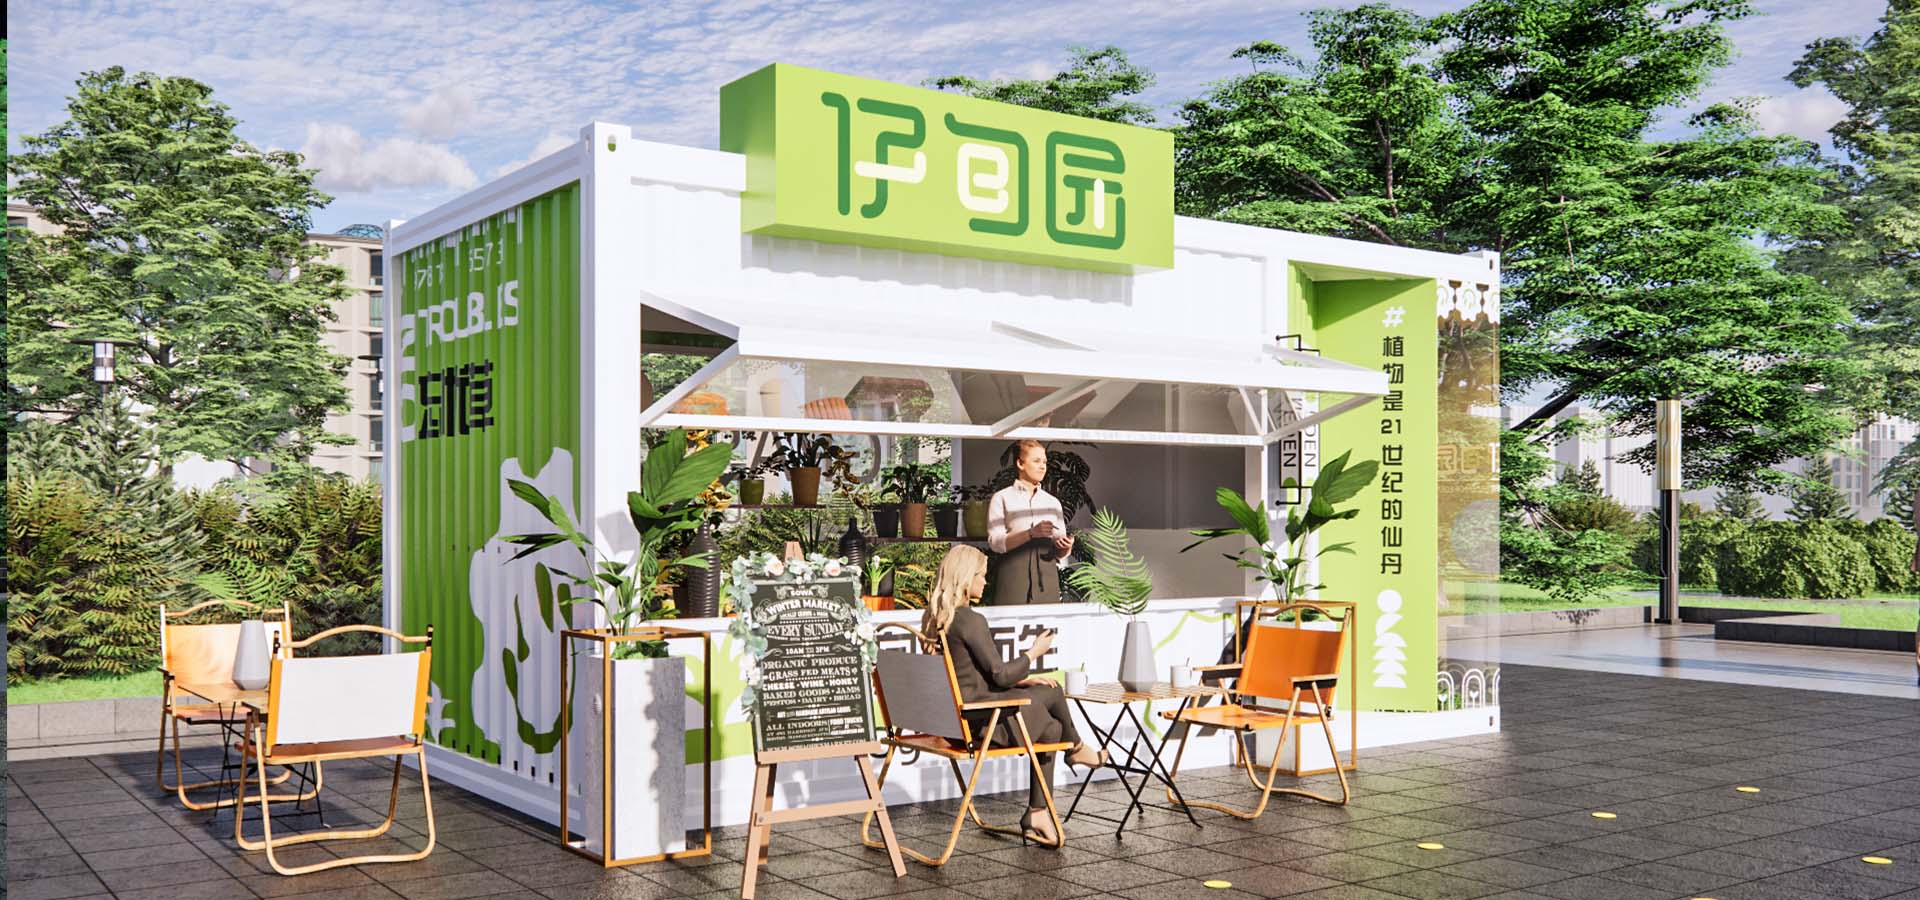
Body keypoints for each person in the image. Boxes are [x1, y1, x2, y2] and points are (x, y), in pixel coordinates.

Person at [922, 544, 1104, 845]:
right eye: (981, 575)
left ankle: (1039, 811)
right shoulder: (970, 620)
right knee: (1054, 697)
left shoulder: (936, 620)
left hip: (958, 723)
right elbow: (1000, 675)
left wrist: (1023, 681)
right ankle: (1075, 750)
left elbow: (972, 677)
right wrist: (1033, 653)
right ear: (966, 578)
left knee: (1051, 722)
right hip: (984, 725)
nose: (986, 581)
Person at [985, 439, 1075, 605]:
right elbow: (995, 542)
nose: (1042, 466)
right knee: (1009, 621)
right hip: (1013, 577)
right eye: (1036, 461)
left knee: (1048, 621)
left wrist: (1066, 547)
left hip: (1047, 580)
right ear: (1020, 463)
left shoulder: (1052, 502)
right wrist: (1030, 533)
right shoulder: (1002, 498)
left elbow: (1059, 552)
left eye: (1044, 462)